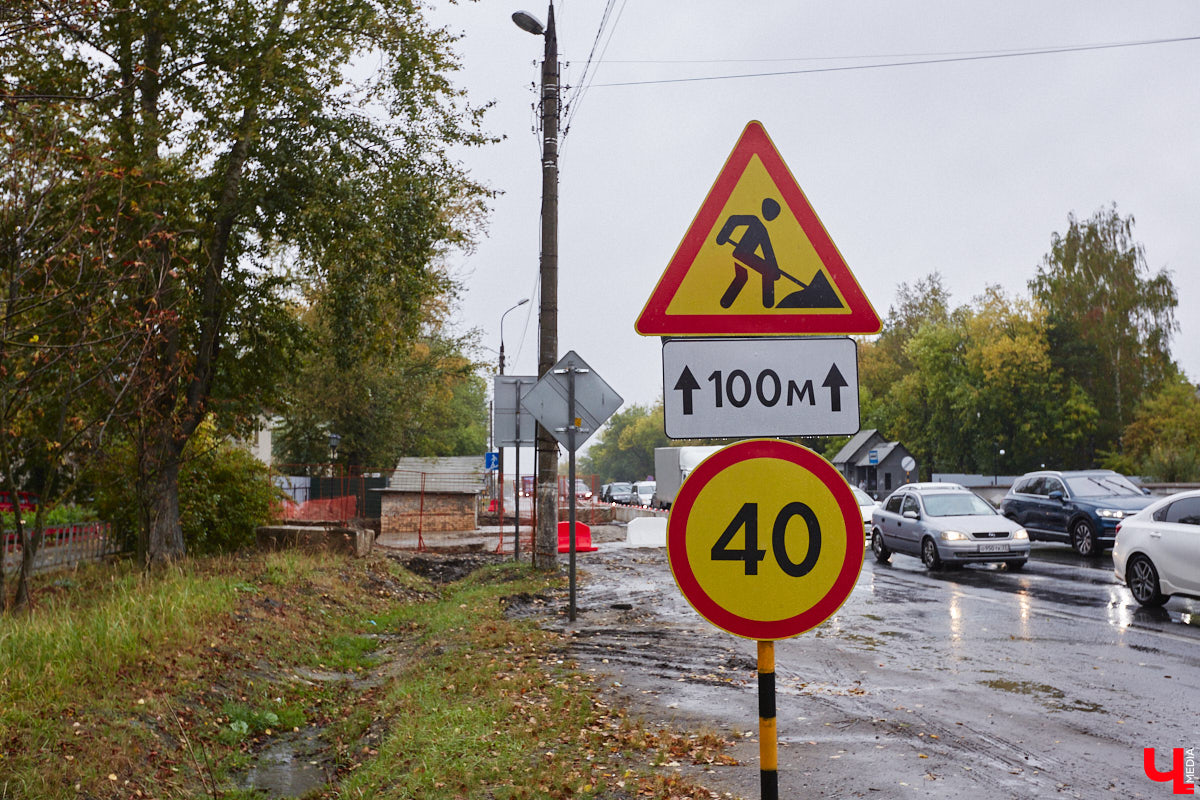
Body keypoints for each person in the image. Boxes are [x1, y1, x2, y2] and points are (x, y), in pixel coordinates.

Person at [715, 197, 782, 308]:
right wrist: (722, 236)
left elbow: (768, 251)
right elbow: (733, 220)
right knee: (766, 272)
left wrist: (775, 269)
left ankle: (725, 304)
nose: (772, 216)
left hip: (745, 255)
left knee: (742, 277)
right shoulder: (755, 221)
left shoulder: (762, 229)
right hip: (742, 253)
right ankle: (768, 301)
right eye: (772, 212)